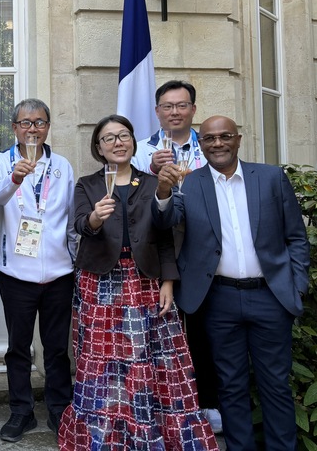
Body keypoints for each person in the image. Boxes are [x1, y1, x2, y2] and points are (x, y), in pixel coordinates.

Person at [58, 114, 217, 451]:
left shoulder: (151, 182)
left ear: (133, 142)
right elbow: (80, 225)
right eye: (109, 138)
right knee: (103, 359)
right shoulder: (87, 184)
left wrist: (168, 281)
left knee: (153, 358)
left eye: (124, 135)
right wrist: (94, 219)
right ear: (98, 147)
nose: (118, 142)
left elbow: (164, 234)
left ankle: (151, 429)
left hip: (145, 279)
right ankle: (105, 435)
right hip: (99, 281)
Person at [153, 115, 310, 451]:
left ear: (238, 139)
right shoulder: (189, 183)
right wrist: (163, 190)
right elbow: (165, 223)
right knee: (230, 386)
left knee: (275, 386)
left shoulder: (270, 178)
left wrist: (297, 287)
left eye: (225, 136)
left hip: (271, 297)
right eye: (209, 138)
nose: (218, 143)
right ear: (201, 144)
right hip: (218, 300)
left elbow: (296, 236)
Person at [0, 99, 76, 442]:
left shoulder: (62, 166)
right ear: (14, 128)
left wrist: (75, 261)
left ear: (48, 127)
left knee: (57, 347)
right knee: (18, 347)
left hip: (59, 273)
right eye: (25, 123)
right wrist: (14, 178)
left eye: (39, 122)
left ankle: (59, 409)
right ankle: (21, 411)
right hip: (16, 274)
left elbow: (71, 217)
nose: (32, 129)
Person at [130, 79, 222, 432]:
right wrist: (151, 171)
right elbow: (130, 197)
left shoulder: (209, 147)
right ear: (157, 111)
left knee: (203, 331)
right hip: (156, 251)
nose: (174, 112)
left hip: (201, 250)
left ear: (193, 109)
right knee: (157, 334)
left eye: (182, 105)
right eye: (167, 106)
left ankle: (208, 403)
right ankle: (162, 406)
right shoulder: (141, 150)